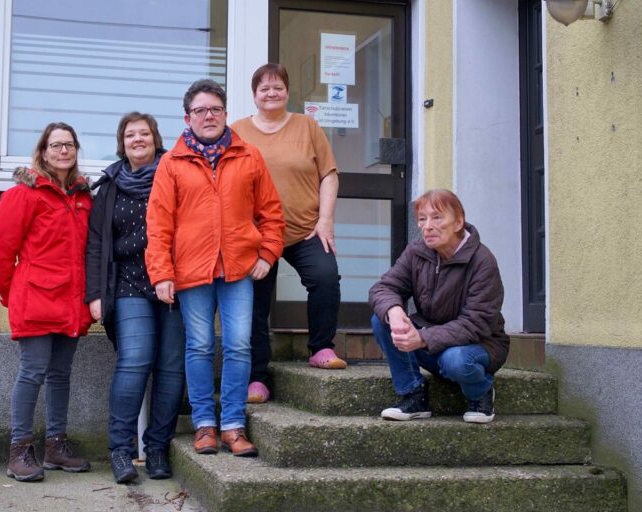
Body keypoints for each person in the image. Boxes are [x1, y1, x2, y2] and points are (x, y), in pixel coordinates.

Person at [146, 79, 285, 457]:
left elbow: (272, 212)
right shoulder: (172, 163)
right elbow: (159, 224)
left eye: (215, 109)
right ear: (187, 118)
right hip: (192, 272)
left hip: (239, 270)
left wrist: (267, 254)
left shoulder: (249, 156)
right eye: (200, 110)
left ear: (225, 113)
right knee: (200, 346)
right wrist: (162, 273)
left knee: (239, 345)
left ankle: (233, 427)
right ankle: (205, 425)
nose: (208, 116)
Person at [231, 63, 346, 404]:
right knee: (254, 303)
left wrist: (325, 220)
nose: (271, 93)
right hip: (256, 236)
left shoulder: (307, 126)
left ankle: (321, 347)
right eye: (264, 88)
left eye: (278, 87)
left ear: (287, 91)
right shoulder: (237, 132)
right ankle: (257, 378)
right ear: (254, 95)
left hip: (305, 230)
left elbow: (329, 174)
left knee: (325, 277)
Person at [0, 122, 93, 482]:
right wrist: (12, 294)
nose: (64, 151)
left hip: (71, 301)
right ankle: (19, 450)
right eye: (56, 145)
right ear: (43, 152)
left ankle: (55, 447)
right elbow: (0, 254)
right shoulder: (24, 195)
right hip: (35, 298)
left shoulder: (83, 197)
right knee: (32, 373)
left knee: (61, 375)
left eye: (69, 144)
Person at [85, 112, 185, 483]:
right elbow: (96, 243)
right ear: (122, 143)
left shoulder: (175, 175)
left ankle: (157, 447)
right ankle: (121, 451)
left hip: (174, 282)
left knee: (171, 366)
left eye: (144, 133)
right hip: (127, 283)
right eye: (131, 135)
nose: (138, 139)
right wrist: (95, 293)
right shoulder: (110, 185)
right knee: (136, 359)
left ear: (156, 139)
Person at [368, 189, 509, 424]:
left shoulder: (482, 261)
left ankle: (480, 393)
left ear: (458, 222)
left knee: (456, 361)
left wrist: (423, 338)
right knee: (382, 320)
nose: (427, 227)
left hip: (478, 345)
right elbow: (383, 288)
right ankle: (413, 395)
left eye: (437, 218)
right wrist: (394, 310)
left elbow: (476, 323)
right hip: (432, 340)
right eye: (422, 219)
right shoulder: (417, 252)